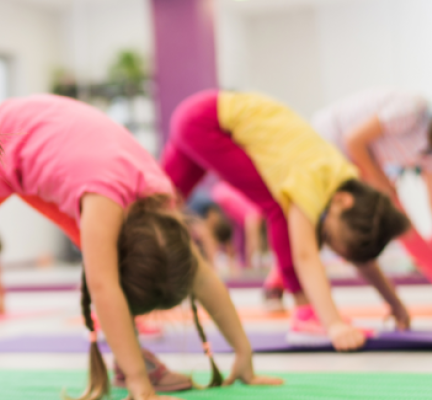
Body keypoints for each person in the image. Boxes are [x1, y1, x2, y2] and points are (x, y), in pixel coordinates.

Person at [0, 94, 282, 399]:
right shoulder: (102, 200)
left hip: (54, 136)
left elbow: (202, 275)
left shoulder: (163, 205)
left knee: (100, 256)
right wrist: (141, 386)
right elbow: (105, 286)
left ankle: (131, 361)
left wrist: (243, 353)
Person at [161, 90, 412, 351]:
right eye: (328, 238)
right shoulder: (314, 178)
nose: (326, 242)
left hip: (197, 114)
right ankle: (305, 312)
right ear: (343, 202)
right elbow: (304, 255)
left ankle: (130, 310)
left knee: (156, 207)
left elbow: (360, 253)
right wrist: (333, 324)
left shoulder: (341, 181)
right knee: (278, 207)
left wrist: (394, 304)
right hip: (208, 121)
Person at [309, 89, 432, 307]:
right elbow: (353, 139)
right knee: (322, 220)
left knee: (394, 217)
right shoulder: (412, 111)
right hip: (327, 141)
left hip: (355, 156)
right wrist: (381, 182)